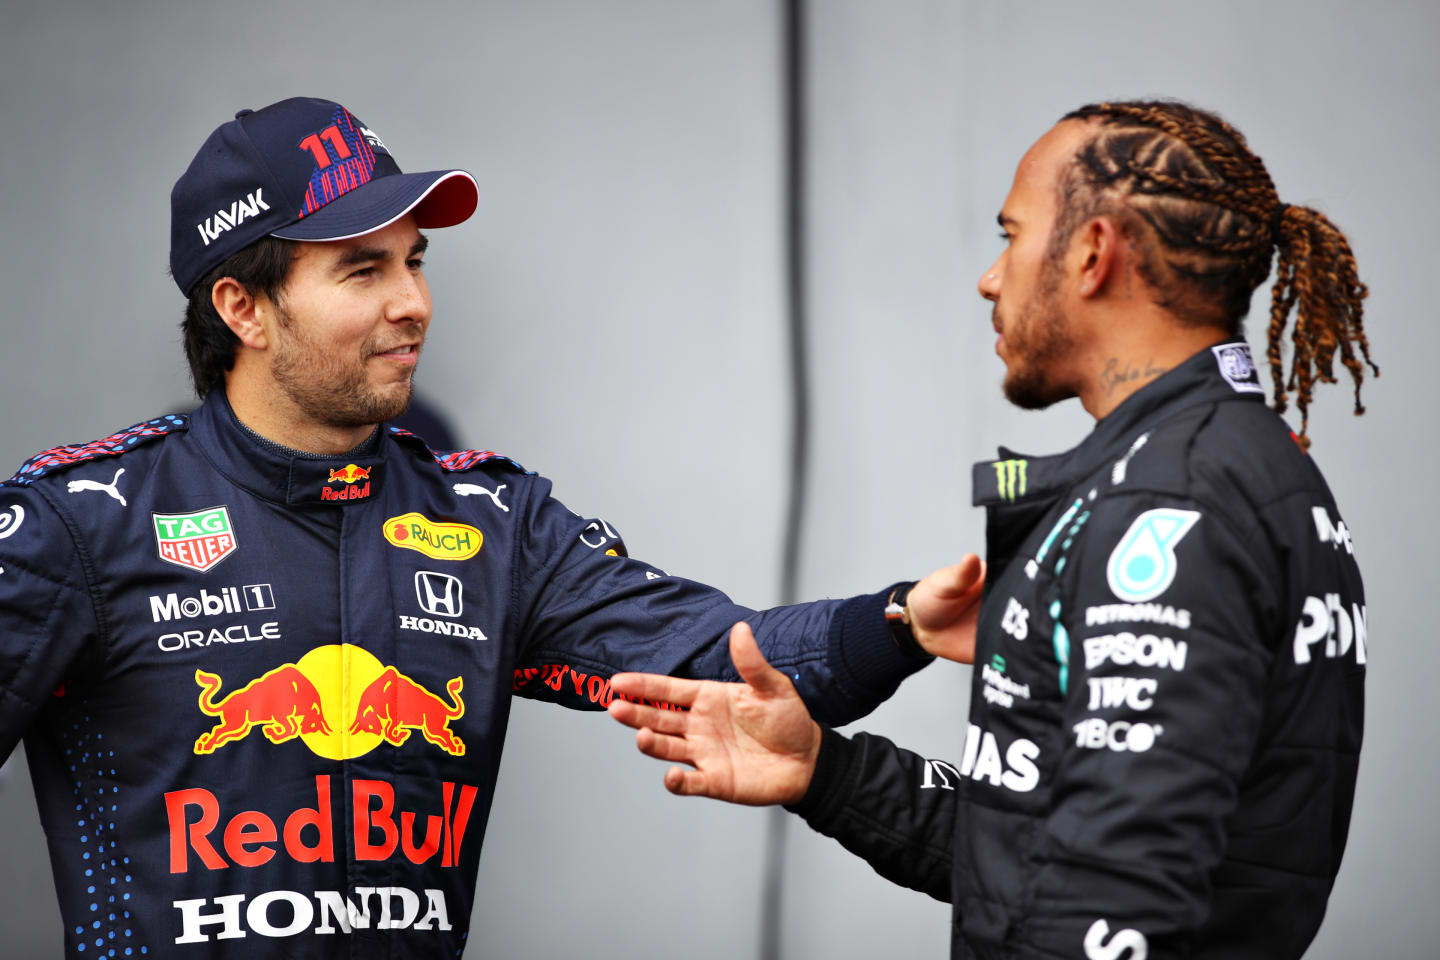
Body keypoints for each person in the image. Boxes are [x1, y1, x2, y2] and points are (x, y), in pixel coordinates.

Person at [0, 96, 987, 957]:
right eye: (362, 271)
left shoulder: (493, 523)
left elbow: (720, 665)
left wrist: (899, 620)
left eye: (415, 262)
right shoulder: (80, 523)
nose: (415, 303)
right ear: (243, 308)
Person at [608, 99, 1374, 959]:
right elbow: (1046, 857)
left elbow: (1110, 909)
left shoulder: (1173, 500)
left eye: (1011, 235)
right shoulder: (1215, 463)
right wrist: (823, 772)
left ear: (1092, 254)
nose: (990, 276)